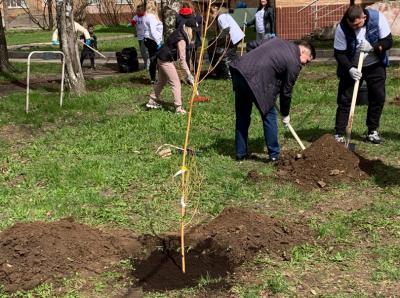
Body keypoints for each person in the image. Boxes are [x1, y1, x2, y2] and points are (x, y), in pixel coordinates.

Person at [229, 38, 315, 162]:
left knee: (242, 116)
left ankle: (240, 154)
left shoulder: (277, 41)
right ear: (304, 52)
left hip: (240, 71)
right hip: (256, 80)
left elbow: (252, 44)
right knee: (269, 116)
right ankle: (274, 155)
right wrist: (285, 114)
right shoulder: (294, 62)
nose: (304, 65)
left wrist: (255, 64)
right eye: (307, 61)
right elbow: (286, 91)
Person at [333, 5, 392, 144]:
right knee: (345, 99)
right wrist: (349, 69)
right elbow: (339, 53)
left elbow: (388, 41)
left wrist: (374, 47)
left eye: (357, 24)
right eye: (351, 25)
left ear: (364, 17)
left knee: (378, 97)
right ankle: (340, 133)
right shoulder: (342, 28)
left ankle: (372, 131)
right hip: (352, 66)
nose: (354, 27)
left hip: (375, 64)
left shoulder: (377, 19)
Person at [146, 18, 197, 115]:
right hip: (165, 61)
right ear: (190, 29)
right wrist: (189, 75)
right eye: (194, 30)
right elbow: (182, 60)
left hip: (161, 57)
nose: (194, 33)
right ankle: (178, 108)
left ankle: (151, 101)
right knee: (176, 83)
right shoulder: (181, 40)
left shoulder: (179, 31)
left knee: (162, 81)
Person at [208, 2, 244, 79]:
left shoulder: (221, 17)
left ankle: (230, 74)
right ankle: (237, 70)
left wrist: (217, 38)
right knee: (232, 54)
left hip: (234, 36)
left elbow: (226, 29)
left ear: (215, 11)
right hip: (237, 36)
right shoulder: (224, 15)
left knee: (230, 54)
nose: (212, 17)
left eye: (211, 14)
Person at [176, 1, 203, 73]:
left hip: (187, 39)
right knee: (193, 58)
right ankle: (196, 73)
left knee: (188, 58)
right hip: (193, 40)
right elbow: (198, 25)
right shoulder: (196, 16)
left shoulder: (180, 16)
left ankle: (190, 75)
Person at [143, 1, 163, 83]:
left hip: (148, 39)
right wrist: (158, 41)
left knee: (153, 59)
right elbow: (153, 31)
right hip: (153, 40)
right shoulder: (151, 17)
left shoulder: (146, 16)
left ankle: (153, 78)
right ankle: (159, 78)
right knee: (157, 59)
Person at [128, 4, 150, 70]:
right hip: (140, 37)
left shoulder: (147, 16)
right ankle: (146, 64)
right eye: (137, 10)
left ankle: (148, 65)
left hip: (146, 36)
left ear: (143, 10)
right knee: (142, 51)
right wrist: (131, 23)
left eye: (139, 10)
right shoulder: (136, 17)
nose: (138, 12)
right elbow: (133, 22)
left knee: (145, 51)